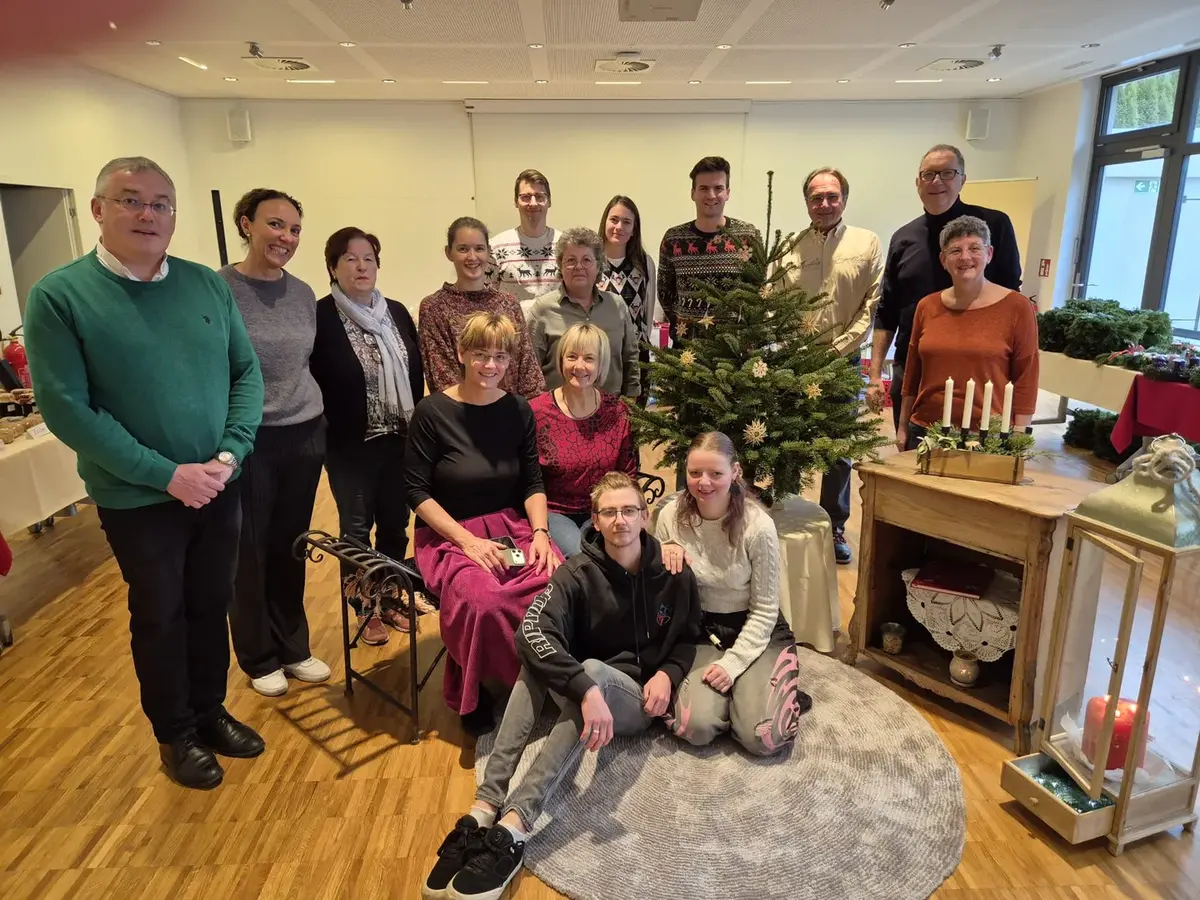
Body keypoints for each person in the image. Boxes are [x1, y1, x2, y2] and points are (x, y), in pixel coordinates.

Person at [23, 157, 265, 790]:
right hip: (137, 497)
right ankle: (175, 733)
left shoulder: (205, 285)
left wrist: (229, 455)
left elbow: (245, 372)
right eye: (131, 200)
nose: (148, 214)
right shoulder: (59, 296)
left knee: (211, 603)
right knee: (161, 614)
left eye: (161, 203)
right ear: (98, 210)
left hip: (218, 482)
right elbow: (68, 409)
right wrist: (166, 474)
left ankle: (210, 711)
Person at [422, 471, 702, 900]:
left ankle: (516, 825)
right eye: (609, 512)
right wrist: (583, 689)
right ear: (595, 519)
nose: (620, 521)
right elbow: (531, 632)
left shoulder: (673, 570)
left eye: (629, 511)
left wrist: (668, 673)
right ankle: (485, 807)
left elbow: (689, 636)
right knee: (542, 661)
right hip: (593, 691)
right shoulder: (577, 573)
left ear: (645, 516)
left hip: (633, 697)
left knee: (589, 670)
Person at [406, 311, 560, 733]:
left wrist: (541, 534)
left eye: (500, 356)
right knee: (485, 601)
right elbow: (416, 492)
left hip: (511, 528)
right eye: (480, 354)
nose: (491, 365)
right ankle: (474, 688)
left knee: (558, 581)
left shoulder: (517, 410)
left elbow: (532, 481)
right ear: (461, 353)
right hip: (449, 534)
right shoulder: (432, 411)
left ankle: (544, 677)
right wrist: (467, 543)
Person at [219, 188, 330, 697]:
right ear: (246, 224)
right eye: (275, 224)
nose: (286, 237)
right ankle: (258, 655)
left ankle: (293, 646)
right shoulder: (220, 288)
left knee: (291, 544)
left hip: (303, 431)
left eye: (294, 229)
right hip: (249, 437)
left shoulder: (303, 293)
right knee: (250, 551)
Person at [657, 432, 810, 757]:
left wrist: (734, 663)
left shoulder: (758, 526)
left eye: (716, 473)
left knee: (764, 738)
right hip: (700, 629)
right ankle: (740, 698)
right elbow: (659, 589)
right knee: (694, 727)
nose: (704, 483)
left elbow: (765, 609)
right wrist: (663, 554)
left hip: (754, 626)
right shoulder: (669, 516)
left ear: (735, 472)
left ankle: (752, 693)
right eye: (695, 472)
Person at [310, 227, 424, 646]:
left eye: (369, 259)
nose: (361, 267)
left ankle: (390, 599)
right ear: (333, 267)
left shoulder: (395, 311)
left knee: (395, 525)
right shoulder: (320, 317)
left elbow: (415, 369)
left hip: (400, 441)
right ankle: (364, 610)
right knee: (357, 533)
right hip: (349, 447)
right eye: (350, 259)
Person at [869, 144, 1022, 430]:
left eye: (947, 173)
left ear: (963, 179)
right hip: (912, 367)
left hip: (976, 370)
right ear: (918, 183)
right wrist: (875, 374)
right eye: (928, 174)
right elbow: (887, 310)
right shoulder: (903, 238)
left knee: (969, 451)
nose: (936, 181)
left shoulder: (993, 226)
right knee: (909, 445)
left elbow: (1010, 299)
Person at [775, 166, 882, 565]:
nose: (824, 204)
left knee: (837, 447)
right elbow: (774, 301)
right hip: (794, 359)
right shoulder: (790, 246)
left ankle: (834, 524)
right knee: (788, 438)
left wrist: (838, 349)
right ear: (807, 202)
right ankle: (785, 509)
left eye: (832, 196)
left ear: (844, 199)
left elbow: (872, 304)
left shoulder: (866, 243)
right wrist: (787, 348)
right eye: (816, 197)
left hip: (842, 359)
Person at [897, 216, 1039, 452]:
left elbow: (1026, 377)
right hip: (926, 430)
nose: (965, 257)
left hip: (986, 434)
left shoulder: (1017, 307)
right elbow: (912, 374)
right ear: (943, 260)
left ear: (989, 254)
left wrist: (1019, 436)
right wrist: (903, 427)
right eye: (955, 250)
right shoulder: (927, 306)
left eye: (975, 248)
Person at [531, 324, 639, 558]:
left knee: (622, 550)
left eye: (589, 358)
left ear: (601, 364)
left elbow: (628, 473)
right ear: (561, 360)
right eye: (572, 356)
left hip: (606, 509)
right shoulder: (537, 412)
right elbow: (530, 480)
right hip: (556, 511)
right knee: (582, 555)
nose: (579, 366)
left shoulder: (617, 411)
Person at [419, 217, 544, 399]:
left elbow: (528, 371)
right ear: (449, 253)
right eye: (463, 249)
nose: (472, 257)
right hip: (461, 412)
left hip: (512, 410)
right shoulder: (434, 307)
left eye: (479, 249)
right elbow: (442, 379)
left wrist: (527, 410)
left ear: (488, 252)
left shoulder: (508, 304)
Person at [528, 227, 641, 399]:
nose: (578, 267)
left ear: (598, 266)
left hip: (611, 407)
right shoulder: (542, 310)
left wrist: (631, 401)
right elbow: (530, 369)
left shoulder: (617, 306)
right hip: (558, 409)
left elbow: (630, 359)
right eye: (571, 260)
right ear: (560, 265)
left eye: (586, 260)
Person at [658, 156, 762, 342]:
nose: (711, 195)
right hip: (687, 350)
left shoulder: (748, 236)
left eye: (718, 188)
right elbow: (665, 294)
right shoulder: (673, 240)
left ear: (728, 193)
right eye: (703, 188)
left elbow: (757, 291)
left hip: (734, 350)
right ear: (693, 193)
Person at [597, 195, 661, 406]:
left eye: (626, 222)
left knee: (635, 416)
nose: (619, 227)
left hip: (636, 355)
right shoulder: (592, 262)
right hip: (602, 354)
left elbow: (647, 311)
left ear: (634, 229)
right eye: (614, 220)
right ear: (605, 222)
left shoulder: (644, 263)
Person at [487, 169, 559, 313]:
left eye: (539, 196)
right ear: (516, 202)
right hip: (511, 327)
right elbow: (487, 300)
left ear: (549, 201)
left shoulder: (565, 246)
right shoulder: (495, 247)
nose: (533, 203)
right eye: (526, 197)